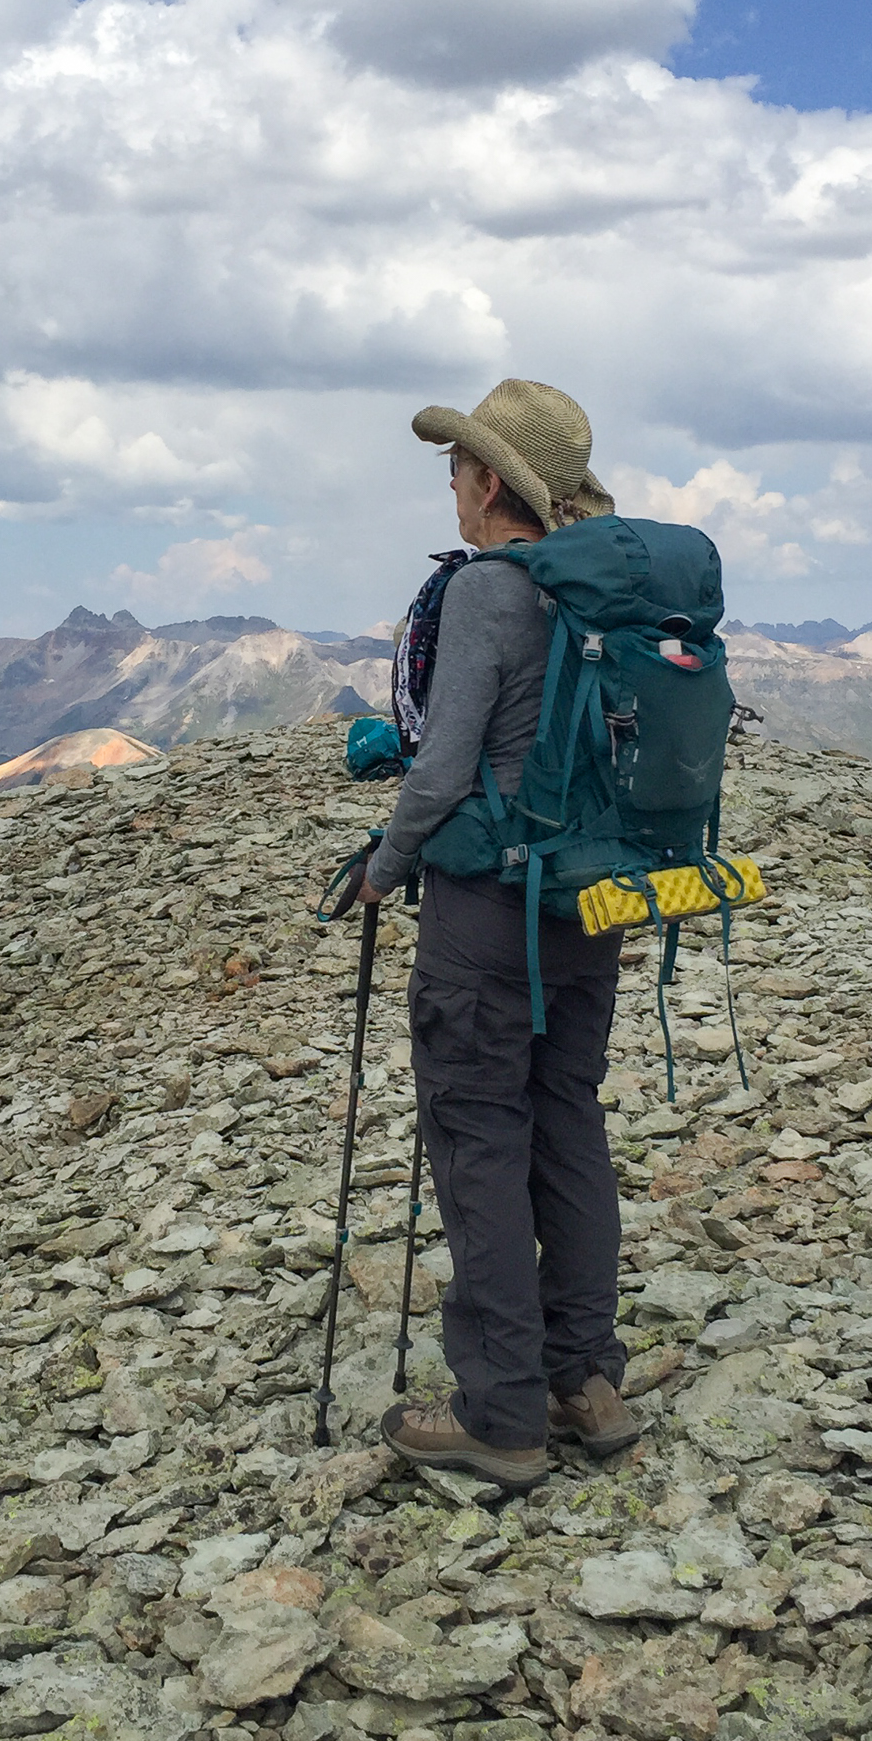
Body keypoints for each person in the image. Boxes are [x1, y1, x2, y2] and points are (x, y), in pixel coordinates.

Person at [348, 378, 639, 1491]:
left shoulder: (486, 592)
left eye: (457, 470)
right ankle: (583, 1376)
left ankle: (502, 1413)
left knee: (475, 1134)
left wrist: (386, 867)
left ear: (484, 481)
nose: (455, 489)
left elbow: (445, 763)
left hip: (489, 914)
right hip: (589, 905)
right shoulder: (600, 590)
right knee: (566, 1124)